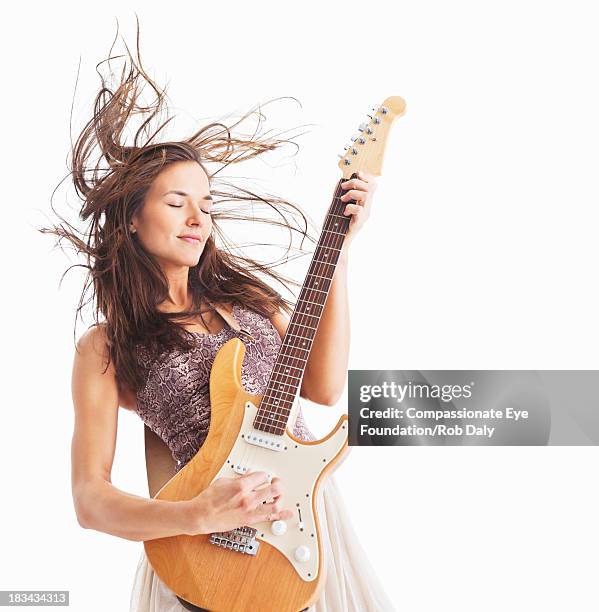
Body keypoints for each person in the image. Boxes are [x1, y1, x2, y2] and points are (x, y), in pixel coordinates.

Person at [44, 22, 395, 612]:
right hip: (208, 545)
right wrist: (195, 513)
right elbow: (89, 498)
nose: (196, 218)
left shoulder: (248, 303)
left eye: (205, 205)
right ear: (131, 219)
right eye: (176, 202)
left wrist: (337, 255)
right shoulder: (105, 347)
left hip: (304, 525)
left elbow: (326, 387)